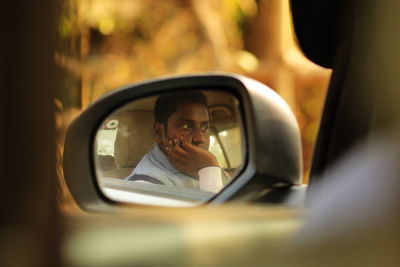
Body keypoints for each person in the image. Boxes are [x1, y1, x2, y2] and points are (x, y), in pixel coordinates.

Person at [125, 91, 229, 192]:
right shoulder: (145, 184)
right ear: (159, 132)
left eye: (204, 128)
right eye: (186, 126)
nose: (200, 138)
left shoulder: (213, 169)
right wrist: (209, 171)